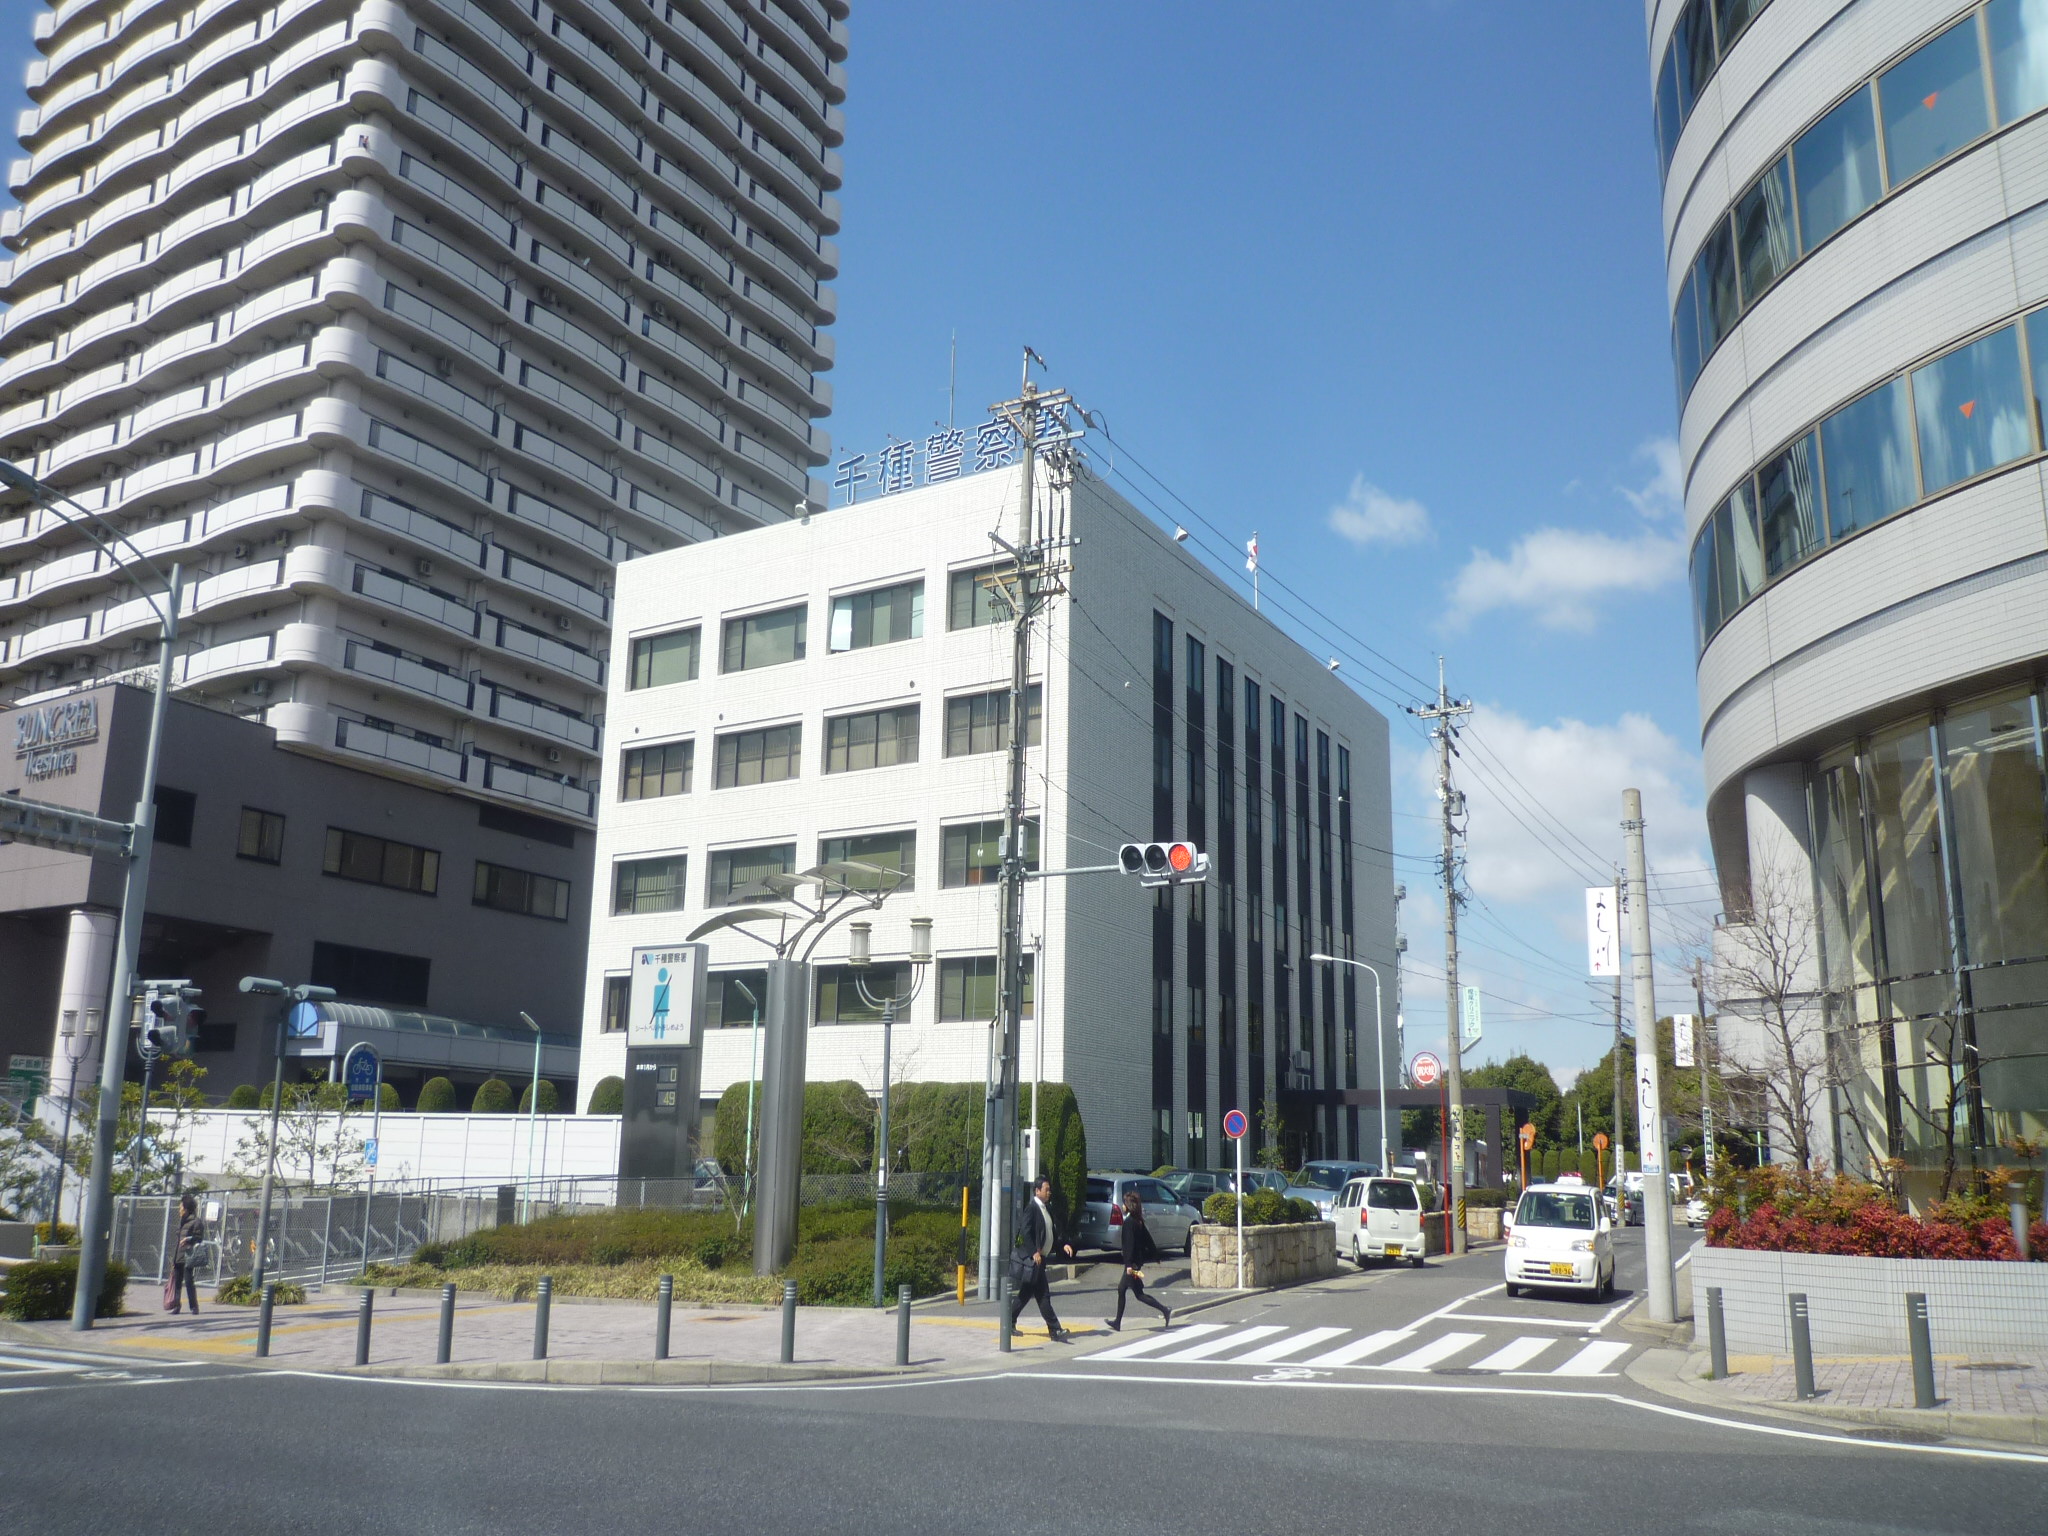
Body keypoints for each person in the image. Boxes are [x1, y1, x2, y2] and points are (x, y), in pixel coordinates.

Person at [1008, 1173, 1075, 1343]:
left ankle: (1008, 1322)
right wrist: (1034, 1252)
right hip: (1035, 1259)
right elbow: (1025, 1230)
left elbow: (1051, 1232)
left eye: (1049, 1189)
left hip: (1040, 1259)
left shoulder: (1046, 1208)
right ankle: (1055, 1329)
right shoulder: (1032, 1208)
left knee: (1025, 1294)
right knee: (1043, 1296)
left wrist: (1062, 1245)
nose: (1049, 1192)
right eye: (1046, 1189)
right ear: (1037, 1191)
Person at [1103, 1187, 1170, 1332]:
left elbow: (1129, 1245)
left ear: (1128, 1205)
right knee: (1129, 1291)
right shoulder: (1138, 1221)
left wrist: (1128, 1264)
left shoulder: (1129, 1223)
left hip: (1132, 1264)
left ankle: (1164, 1310)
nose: (1122, 1206)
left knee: (1133, 1293)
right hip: (1136, 1262)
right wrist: (1156, 1255)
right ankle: (1118, 1322)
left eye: (1124, 1203)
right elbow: (1148, 1240)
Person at [169, 1192, 203, 1315]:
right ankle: (176, 1306)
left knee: (189, 1281)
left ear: (186, 1208)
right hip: (178, 1256)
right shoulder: (182, 1221)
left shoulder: (196, 1222)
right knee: (177, 1282)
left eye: (181, 1207)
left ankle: (194, 1307)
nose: (179, 1209)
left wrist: (189, 1239)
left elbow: (199, 1238)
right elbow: (178, 1242)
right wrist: (173, 1260)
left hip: (189, 1256)